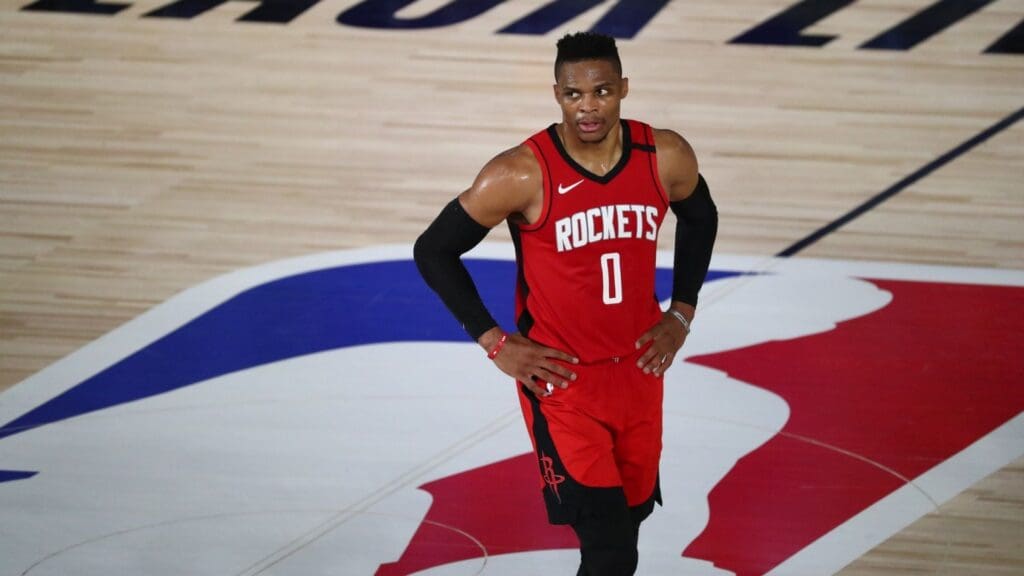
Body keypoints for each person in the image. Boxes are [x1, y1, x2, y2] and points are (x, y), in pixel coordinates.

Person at [414, 31, 718, 576]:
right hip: (563, 385)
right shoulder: (520, 172)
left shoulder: (663, 155)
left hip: (640, 376)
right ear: (556, 93)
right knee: (610, 552)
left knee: (627, 529)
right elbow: (434, 250)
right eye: (574, 94)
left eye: (602, 91)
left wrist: (682, 312)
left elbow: (702, 216)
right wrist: (495, 342)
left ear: (623, 88)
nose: (588, 107)